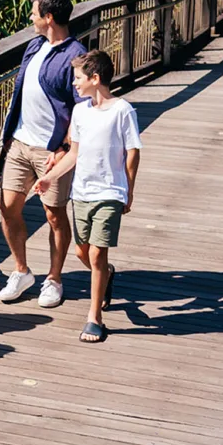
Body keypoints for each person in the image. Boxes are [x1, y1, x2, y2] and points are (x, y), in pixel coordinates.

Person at [33, 50, 141, 342]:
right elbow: (74, 154)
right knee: (82, 251)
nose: (74, 84)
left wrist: (128, 190)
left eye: (78, 78)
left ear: (95, 78)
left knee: (95, 253)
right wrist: (49, 178)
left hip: (109, 192)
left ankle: (94, 318)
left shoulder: (122, 111)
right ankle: (106, 275)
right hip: (81, 192)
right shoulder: (81, 112)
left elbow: (133, 152)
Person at [0, 0, 87, 307]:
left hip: (51, 150)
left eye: (34, 13)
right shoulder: (34, 46)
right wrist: (9, 134)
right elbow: (21, 93)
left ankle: (54, 278)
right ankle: (21, 271)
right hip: (20, 143)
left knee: (54, 215)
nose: (30, 19)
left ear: (49, 18)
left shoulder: (76, 55)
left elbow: (81, 107)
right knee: (8, 208)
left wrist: (64, 147)